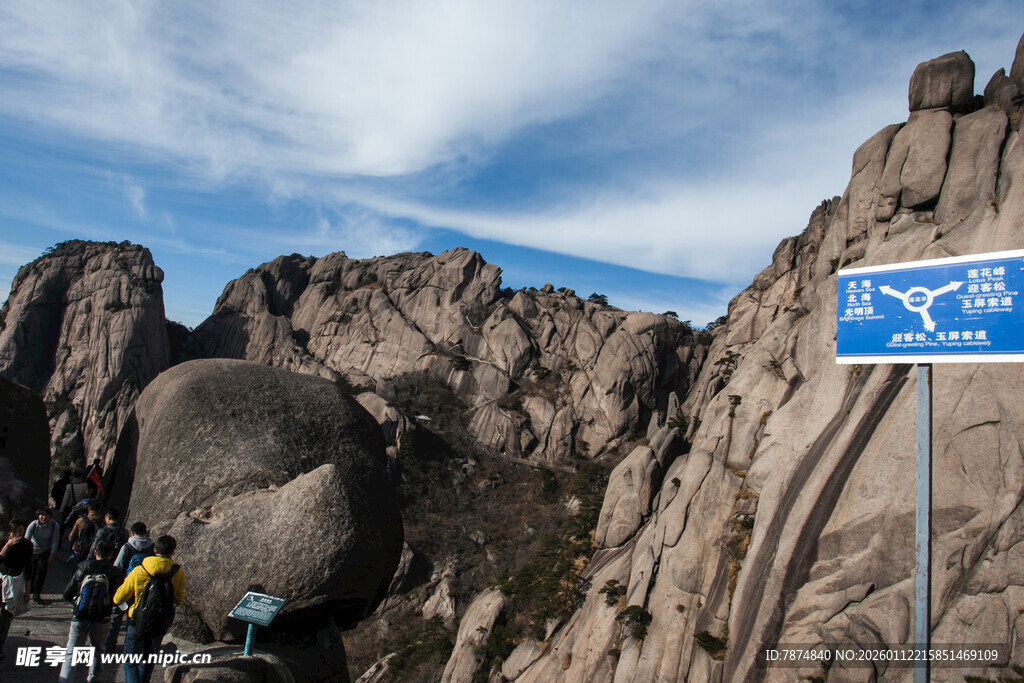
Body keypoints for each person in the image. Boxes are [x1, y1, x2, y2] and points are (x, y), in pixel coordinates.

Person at [113, 535, 185, 683]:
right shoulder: (177, 572)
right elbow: (178, 599)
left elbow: (118, 597)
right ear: (172, 552)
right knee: (148, 660)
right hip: (160, 621)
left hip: (137, 620)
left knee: (130, 662)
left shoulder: (140, 570)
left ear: (154, 550)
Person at [59, 539, 121, 683]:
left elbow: (67, 593)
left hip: (80, 616)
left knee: (71, 652)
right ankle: (94, 679)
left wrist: (76, 603)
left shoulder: (83, 567)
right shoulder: (115, 573)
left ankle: (65, 680)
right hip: (102, 618)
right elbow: (118, 597)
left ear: (95, 553)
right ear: (111, 554)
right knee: (98, 651)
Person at [105, 522, 154, 654]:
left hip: (125, 586)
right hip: (143, 590)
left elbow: (117, 566)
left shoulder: (127, 547)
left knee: (116, 618)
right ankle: (129, 646)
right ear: (146, 532)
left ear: (132, 533)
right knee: (133, 618)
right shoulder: (152, 548)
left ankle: (110, 645)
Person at [0, 520, 33, 664]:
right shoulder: (2, 541)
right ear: (9, 533)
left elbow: (29, 568)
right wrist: (7, 545)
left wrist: (27, 590)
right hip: (1, 580)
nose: (18, 535)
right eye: (15, 532)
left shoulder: (27, 545)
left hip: (16, 581)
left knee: (7, 617)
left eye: (21, 531)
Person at [25, 508, 60, 604]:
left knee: (41, 572)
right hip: (33, 549)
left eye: (46, 515)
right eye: (42, 515)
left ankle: (37, 593)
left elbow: (55, 540)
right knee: (32, 571)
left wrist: (52, 555)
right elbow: (27, 538)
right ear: (38, 516)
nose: (44, 517)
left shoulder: (54, 525)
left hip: (45, 550)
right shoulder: (34, 524)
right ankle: (29, 591)